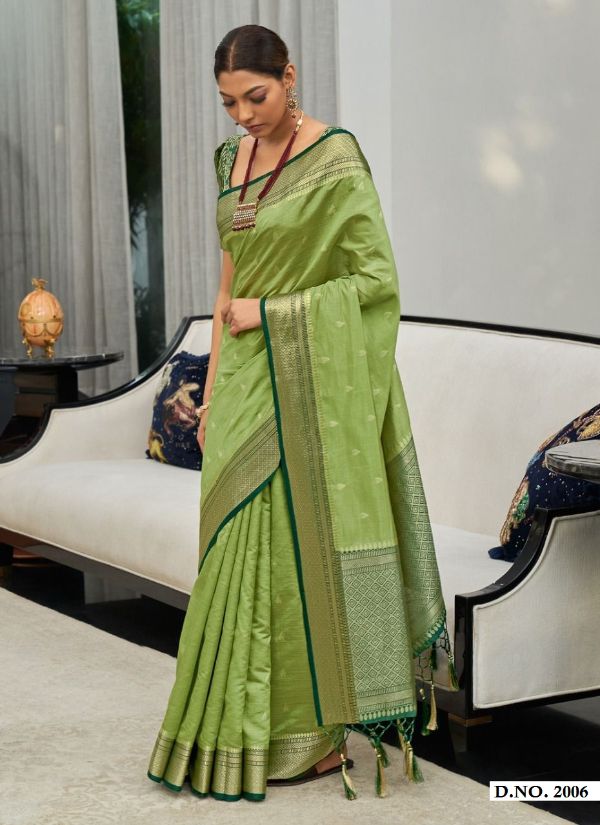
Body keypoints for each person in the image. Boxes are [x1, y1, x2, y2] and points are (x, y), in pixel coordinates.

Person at [147, 23, 457, 803]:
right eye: (228, 103)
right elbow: (227, 288)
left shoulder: (335, 158)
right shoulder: (229, 160)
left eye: (255, 96)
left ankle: (307, 736)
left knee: (288, 554)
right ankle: (233, 725)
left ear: (290, 76)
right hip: (244, 378)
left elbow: (376, 282)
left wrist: (275, 312)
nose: (243, 115)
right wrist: (214, 385)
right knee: (229, 547)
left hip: (304, 377)